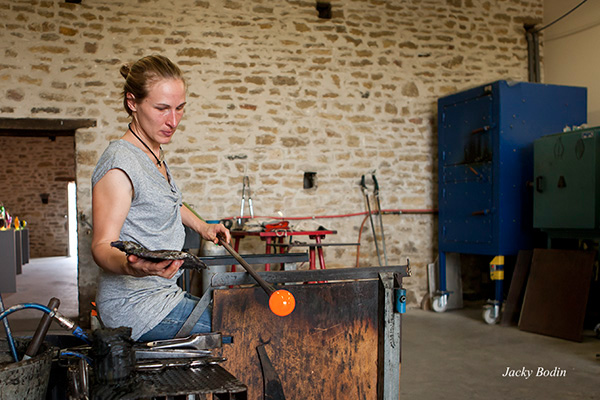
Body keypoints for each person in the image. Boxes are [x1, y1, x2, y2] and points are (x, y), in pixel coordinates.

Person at [91, 54, 231, 342]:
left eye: (180, 108)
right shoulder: (120, 163)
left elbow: (168, 200)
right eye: (162, 108)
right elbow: (102, 246)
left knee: (241, 316)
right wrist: (133, 266)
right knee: (240, 327)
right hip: (136, 308)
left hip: (163, 296)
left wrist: (203, 227)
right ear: (133, 102)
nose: (173, 121)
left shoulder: (152, 153)